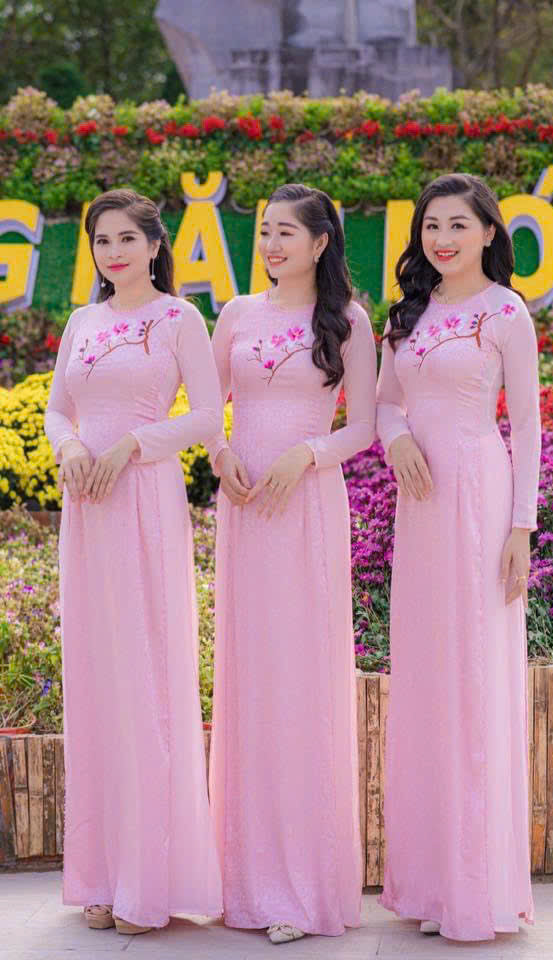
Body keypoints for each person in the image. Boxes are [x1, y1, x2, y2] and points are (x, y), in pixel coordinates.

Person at [44, 189, 223, 935]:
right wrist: (70, 447)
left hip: (145, 500)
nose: (112, 252)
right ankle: (101, 875)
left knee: (147, 679)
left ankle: (150, 882)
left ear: (154, 245)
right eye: (101, 241)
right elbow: (58, 409)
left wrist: (132, 444)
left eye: (126, 239)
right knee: (96, 681)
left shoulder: (180, 319)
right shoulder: (82, 322)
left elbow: (206, 416)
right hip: (88, 508)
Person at [208, 184, 376, 944]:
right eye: (265, 232)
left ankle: (299, 892)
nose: (272, 245)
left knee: (301, 683)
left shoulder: (348, 321)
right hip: (245, 512)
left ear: (320, 242)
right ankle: (242, 883)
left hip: (305, 510)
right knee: (250, 682)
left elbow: (362, 428)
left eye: (286, 232)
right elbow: (205, 406)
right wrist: (219, 455)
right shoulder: (237, 315)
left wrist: (305, 455)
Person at [376, 173, 540, 941]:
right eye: (431, 226)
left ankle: (477, 886)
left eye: (457, 225)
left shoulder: (505, 312)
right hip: (420, 507)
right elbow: (385, 403)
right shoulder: (407, 313)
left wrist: (520, 529)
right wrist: (397, 439)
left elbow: (528, 427)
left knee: (473, 677)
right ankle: (430, 885)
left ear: (487, 233)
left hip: (479, 496)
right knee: (426, 678)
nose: (441, 239)